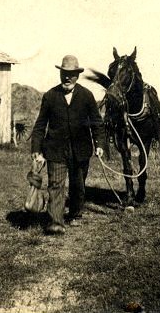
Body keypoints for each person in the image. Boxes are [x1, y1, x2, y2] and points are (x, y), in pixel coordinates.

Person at [31, 55, 105, 235]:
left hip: (81, 150)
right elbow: (40, 125)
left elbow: (96, 122)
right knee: (56, 184)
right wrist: (36, 149)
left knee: (78, 185)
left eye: (71, 74)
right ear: (60, 73)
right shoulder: (50, 96)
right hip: (56, 149)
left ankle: (75, 214)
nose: (67, 78)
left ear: (77, 75)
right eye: (64, 73)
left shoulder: (87, 96)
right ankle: (56, 221)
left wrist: (99, 143)